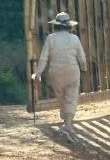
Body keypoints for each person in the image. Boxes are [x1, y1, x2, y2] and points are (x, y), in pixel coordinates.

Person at [33, 12, 87, 142]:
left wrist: (38, 73)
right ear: (69, 26)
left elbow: (44, 57)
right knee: (71, 97)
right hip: (72, 71)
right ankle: (67, 125)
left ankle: (66, 123)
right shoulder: (75, 39)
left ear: (56, 26)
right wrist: (84, 68)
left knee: (61, 97)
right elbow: (81, 57)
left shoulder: (51, 38)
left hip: (55, 73)